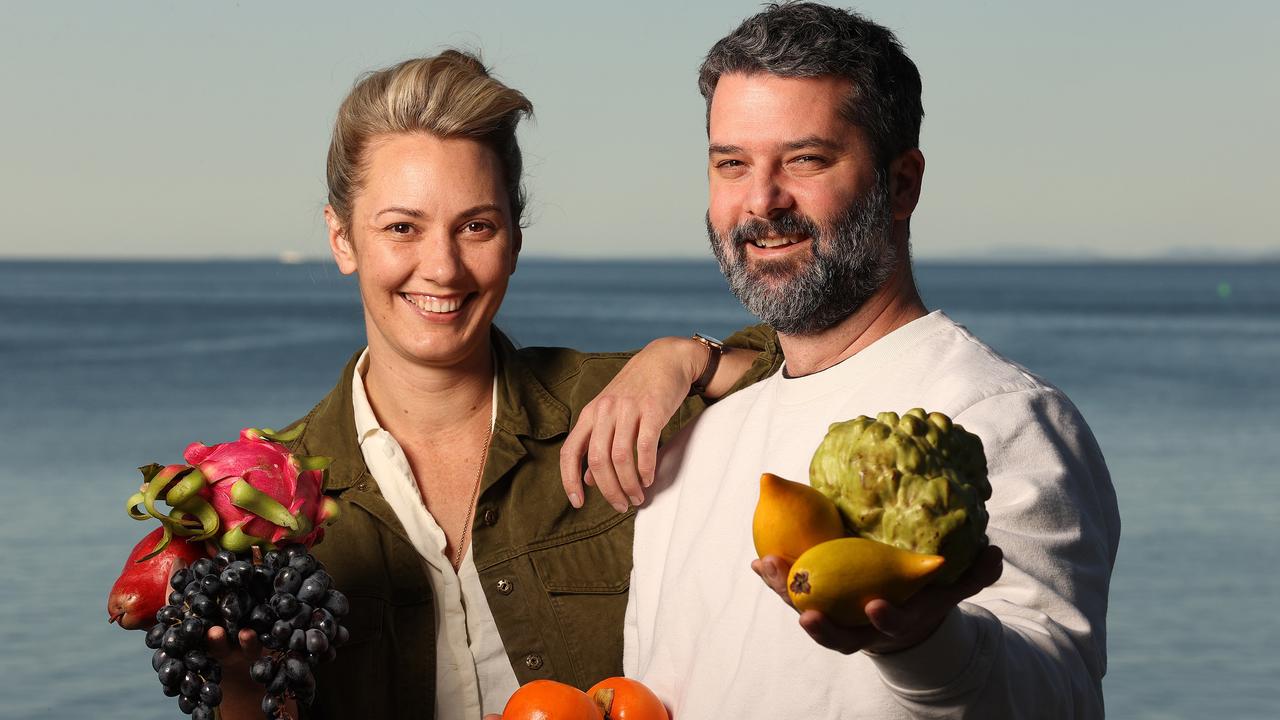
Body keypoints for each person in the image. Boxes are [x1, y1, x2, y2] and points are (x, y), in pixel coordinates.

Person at [205, 50, 779, 720]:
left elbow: (825, 380)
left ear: (512, 239)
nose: (443, 268)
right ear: (342, 239)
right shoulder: (274, 498)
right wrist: (239, 688)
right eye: (401, 228)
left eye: (476, 226)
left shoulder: (619, 403)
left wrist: (685, 358)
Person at [614, 4, 1122, 718]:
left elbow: (1055, 696)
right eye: (732, 163)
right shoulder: (696, 446)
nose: (761, 201)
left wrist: (923, 644)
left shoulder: (996, 416)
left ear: (902, 184)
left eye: (805, 159)